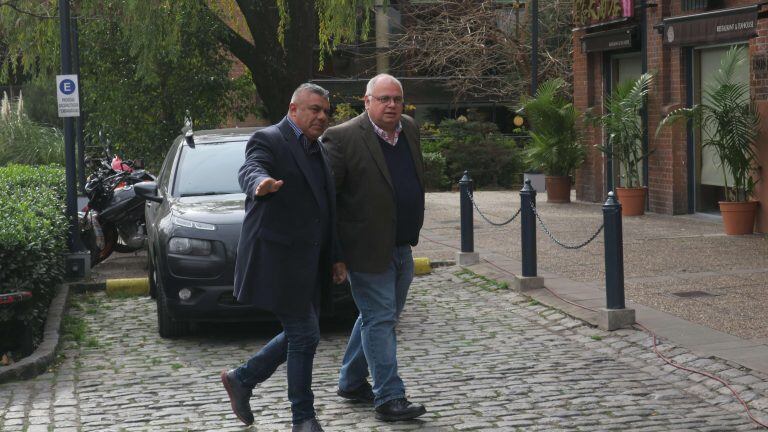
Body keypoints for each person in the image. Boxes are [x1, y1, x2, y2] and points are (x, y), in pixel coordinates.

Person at [221, 83, 346, 432]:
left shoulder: (317, 149)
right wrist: (259, 183)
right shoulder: (269, 139)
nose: (322, 116)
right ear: (293, 110)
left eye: (325, 111)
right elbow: (252, 167)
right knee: (305, 334)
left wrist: (336, 256)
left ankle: (242, 379)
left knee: (302, 333)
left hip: (310, 263)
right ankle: (303, 418)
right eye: (314, 109)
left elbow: (327, 210)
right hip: (277, 261)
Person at [322, 74, 427, 422]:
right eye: (383, 99)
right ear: (366, 102)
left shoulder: (409, 129)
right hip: (365, 249)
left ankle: (351, 382)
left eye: (396, 99)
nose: (391, 105)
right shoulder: (342, 137)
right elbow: (329, 202)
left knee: (378, 317)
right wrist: (336, 254)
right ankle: (389, 397)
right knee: (380, 319)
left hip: (402, 245)